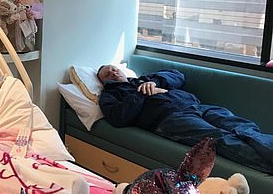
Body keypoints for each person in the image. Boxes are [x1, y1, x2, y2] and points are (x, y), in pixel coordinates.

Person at [96, 64, 273, 173]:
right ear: (104, 82)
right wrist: (139, 93)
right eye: (107, 74)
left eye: (114, 69)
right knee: (220, 138)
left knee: (243, 126)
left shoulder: (146, 78)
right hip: (170, 119)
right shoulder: (110, 95)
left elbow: (178, 75)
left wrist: (154, 83)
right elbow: (118, 118)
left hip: (197, 106)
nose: (113, 73)